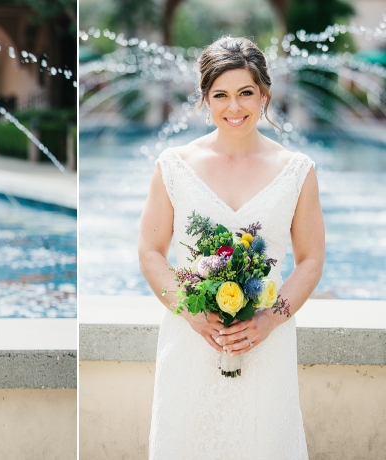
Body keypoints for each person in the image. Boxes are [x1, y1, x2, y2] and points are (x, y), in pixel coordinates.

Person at [138, 36, 324, 459]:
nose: (234, 107)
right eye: (220, 95)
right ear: (205, 99)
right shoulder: (173, 166)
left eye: (246, 93)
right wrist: (190, 312)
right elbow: (150, 251)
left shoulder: (297, 171)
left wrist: (269, 321)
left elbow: (311, 259)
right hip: (192, 339)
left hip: (266, 344)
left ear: (264, 95)